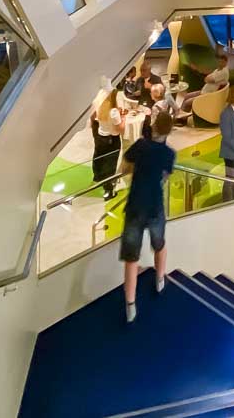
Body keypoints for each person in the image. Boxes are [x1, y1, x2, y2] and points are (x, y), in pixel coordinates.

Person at [120, 112, 177, 323]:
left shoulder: (141, 146)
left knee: (131, 257)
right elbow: (165, 177)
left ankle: (130, 305)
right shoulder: (169, 154)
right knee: (159, 245)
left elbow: (125, 166)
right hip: (155, 206)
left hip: (135, 206)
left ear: (153, 126)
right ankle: (160, 279)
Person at [92, 90, 124, 198]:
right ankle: (109, 191)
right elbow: (120, 129)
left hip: (100, 137)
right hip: (112, 140)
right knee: (110, 166)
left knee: (99, 159)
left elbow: (94, 118)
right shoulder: (113, 111)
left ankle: (98, 178)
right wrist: (122, 118)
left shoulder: (99, 105)